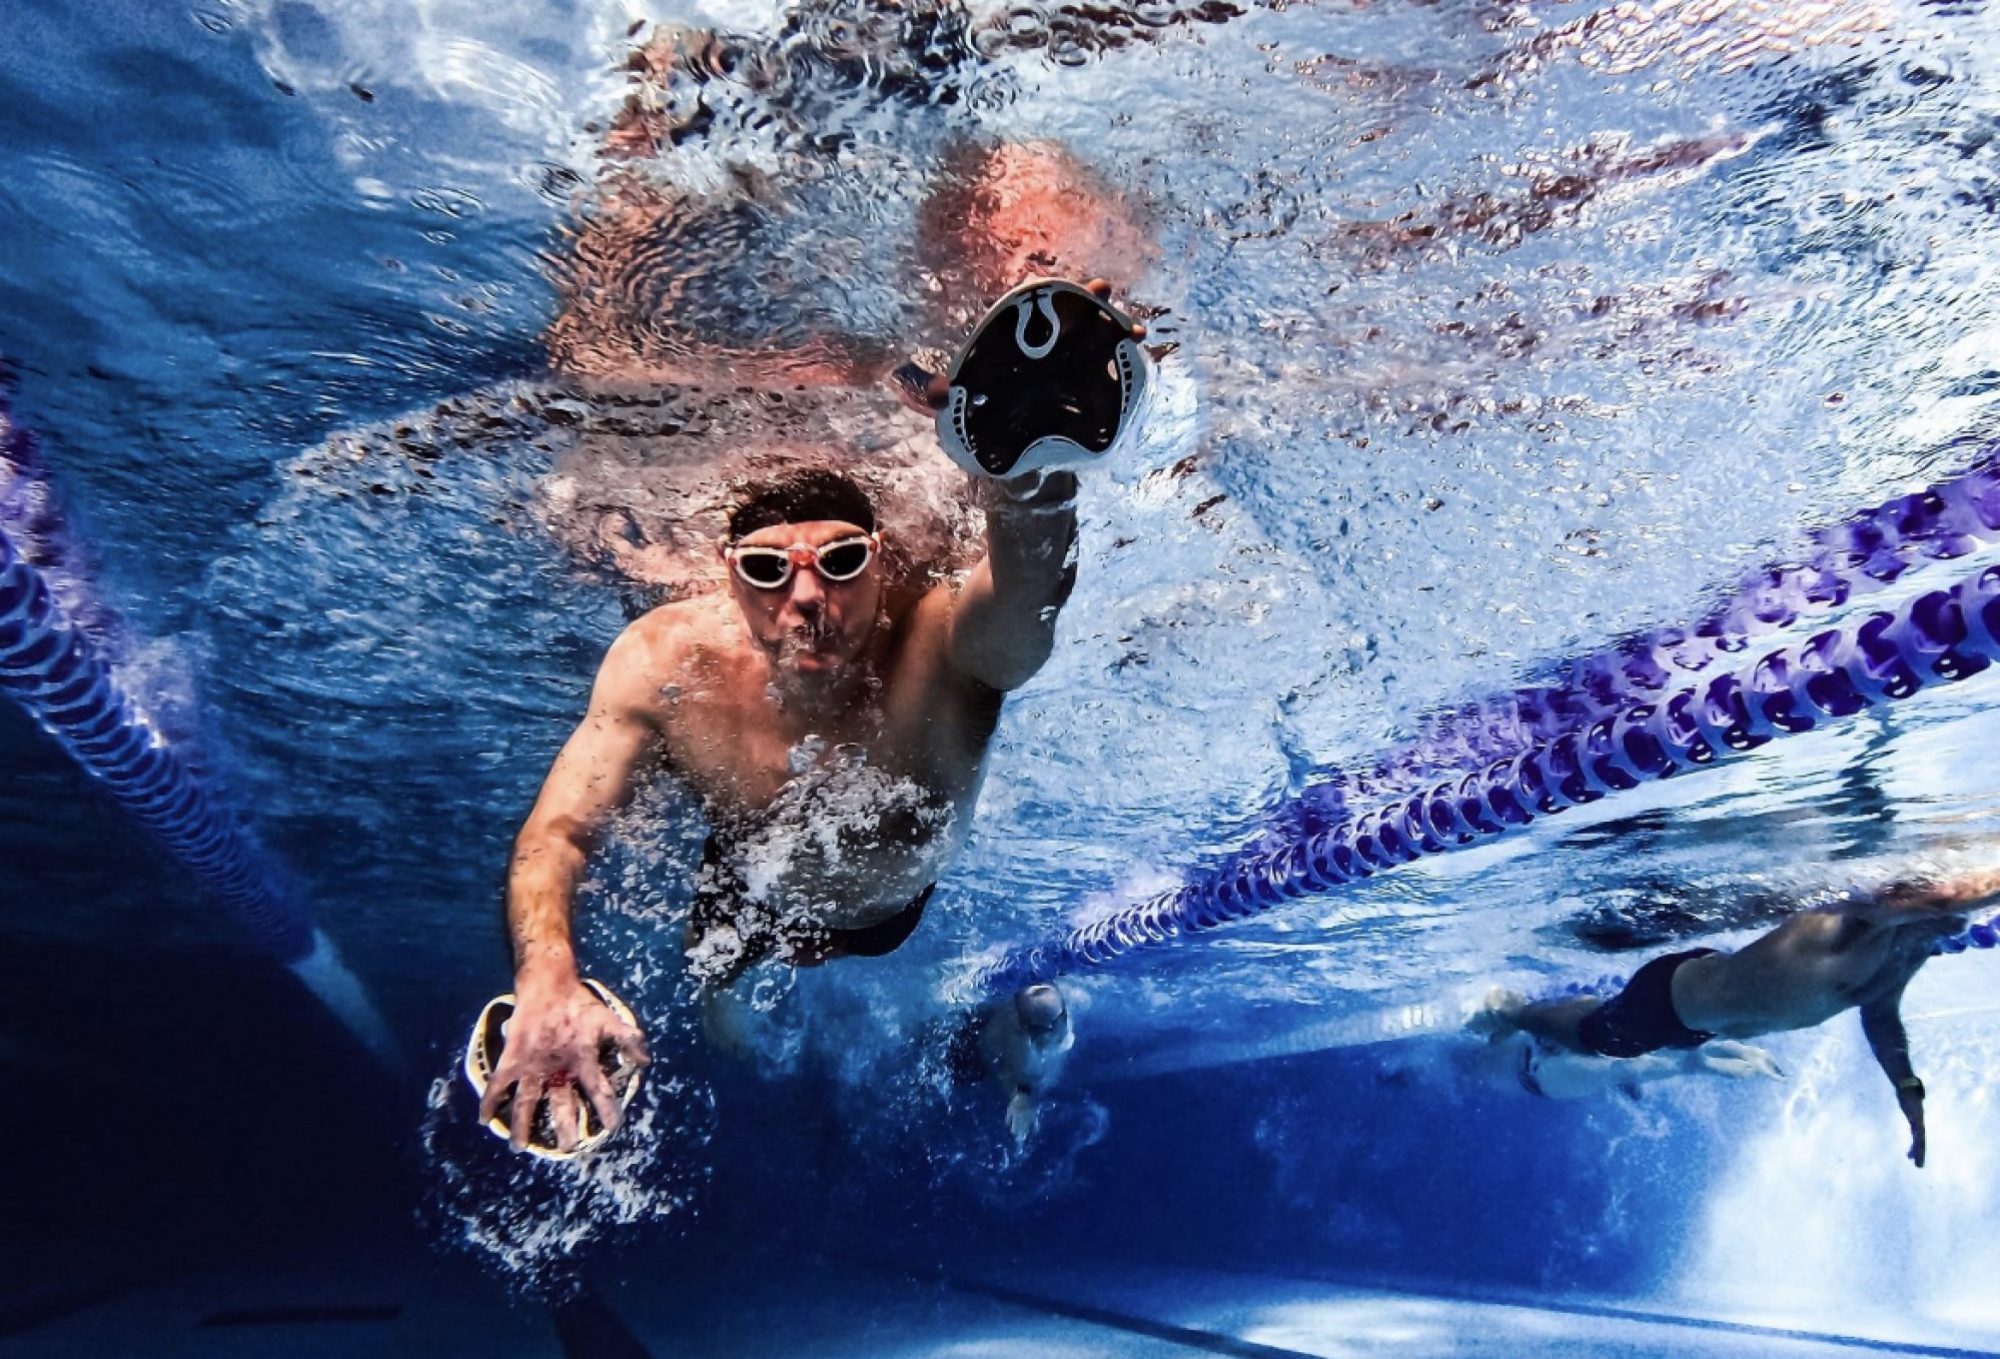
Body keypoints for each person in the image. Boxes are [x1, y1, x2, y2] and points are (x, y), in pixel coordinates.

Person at [477, 282, 1144, 1153]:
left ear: (880, 562)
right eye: (765, 570)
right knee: (717, 961)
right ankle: (728, 1003)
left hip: (889, 907)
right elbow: (557, 834)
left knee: (831, 933)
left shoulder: (938, 642)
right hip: (744, 885)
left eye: (840, 560)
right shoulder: (662, 658)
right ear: (725, 576)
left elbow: (1027, 613)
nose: (807, 598)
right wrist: (546, 975)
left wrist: (1028, 479)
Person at [1475, 865, 2000, 1167]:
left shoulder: (1908, 951)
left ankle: (1527, 1018)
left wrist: (1908, 1094)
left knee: (1633, 1046)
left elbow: (1882, 1020)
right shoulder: (1862, 924)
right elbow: (1950, 894)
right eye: (1964, 914)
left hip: (1706, 1022)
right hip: (1671, 1001)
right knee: (1596, 1040)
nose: (1965, 925)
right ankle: (1513, 1010)